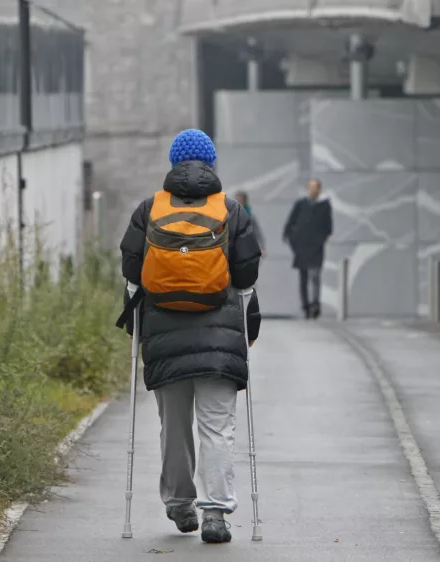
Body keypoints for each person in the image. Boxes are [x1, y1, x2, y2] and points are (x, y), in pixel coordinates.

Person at [118, 129, 263, 544]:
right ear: (211, 164)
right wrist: (249, 321)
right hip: (219, 338)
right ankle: (216, 512)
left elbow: (131, 273)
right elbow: (247, 275)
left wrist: (135, 324)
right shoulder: (231, 210)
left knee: (175, 425)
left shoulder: (149, 209)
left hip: (165, 336)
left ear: (173, 163)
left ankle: (180, 502)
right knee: (217, 427)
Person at [282, 178, 332, 319]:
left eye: (315, 187)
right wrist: (293, 240)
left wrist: (320, 240)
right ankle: (306, 306)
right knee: (303, 277)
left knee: (315, 275)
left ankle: (315, 304)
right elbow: (290, 224)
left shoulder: (324, 205)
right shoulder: (301, 204)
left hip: (316, 247)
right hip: (302, 247)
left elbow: (328, 227)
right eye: (310, 187)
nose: (312, 190)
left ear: (319, 189)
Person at [234, 190, 266, 258]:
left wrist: (262, 248)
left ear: (245, 201)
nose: (239, 202)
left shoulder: (250, 217)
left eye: (241, 200)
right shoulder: (230, 216)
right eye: (237, 200)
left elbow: (257, 233)